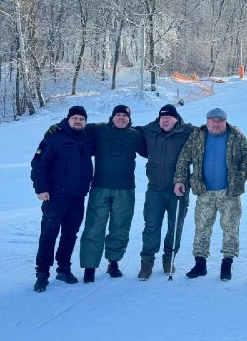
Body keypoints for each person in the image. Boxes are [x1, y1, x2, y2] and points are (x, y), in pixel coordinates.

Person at [174, 108, 247, 281]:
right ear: (207, 121)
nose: (216, 124)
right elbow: (184, 158)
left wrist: (240, 178)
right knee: (202, 227)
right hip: (205, 192)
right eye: (213, 121)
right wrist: (180, 180)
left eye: (220, 121)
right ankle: (200, 263)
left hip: (229, 193)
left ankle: (227, 263)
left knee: (230, 228)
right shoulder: (197, 136)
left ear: (225, 121)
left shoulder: (236, 137)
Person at [77, 105, 147, 282]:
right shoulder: (99, 130)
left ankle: (113, 262)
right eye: (118, 115)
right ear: (112, 117)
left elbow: (151, 144)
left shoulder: (136, 135)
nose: (121, 118)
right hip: (100, 187)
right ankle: (89, 267)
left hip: (125, 189)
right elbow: (77, 124)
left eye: (125, 115)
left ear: (129, 119)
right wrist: (59, 126)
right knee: (94, 227)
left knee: (120, 227)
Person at [30, 106, 94, 292]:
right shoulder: (54, 137)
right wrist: (41, 189)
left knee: (70, 234)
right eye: (75, 118)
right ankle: (42, 273)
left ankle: (63, 268)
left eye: (82, 118)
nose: (78, 121)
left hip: (77, 196)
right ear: (68, 119)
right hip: (55, 196)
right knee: (49, 234)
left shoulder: (88, 138)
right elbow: (38, 163)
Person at [138, 104, 195, 279]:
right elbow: (124, 129)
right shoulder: (149, 130)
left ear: (176, 119)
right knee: (151, 226)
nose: (165, 121)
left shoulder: (188, 132)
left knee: (175, 227)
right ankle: (147, 262)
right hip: (155, 190)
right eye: (163, 118)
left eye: (169, 118)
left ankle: (169, 259)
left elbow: (209, 131)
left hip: (178, 190)